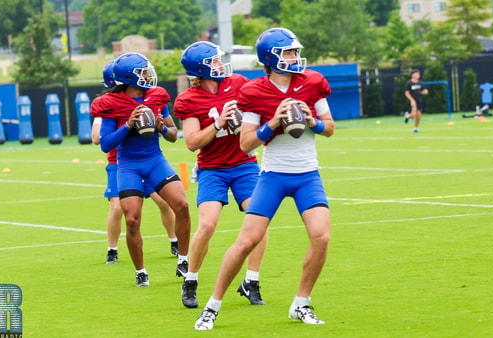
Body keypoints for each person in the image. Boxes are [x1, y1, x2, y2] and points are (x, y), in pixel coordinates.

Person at [194, 27, 335, 330]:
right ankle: (212, 306)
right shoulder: (254, 91)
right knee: (247, 241)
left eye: (295, 51)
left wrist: (310, 121)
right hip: (272, 174)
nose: (295, 57)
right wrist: (273, 122)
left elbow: (330, 127)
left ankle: (301, 303)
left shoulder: (312, 82)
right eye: (288, 52)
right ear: (271, 59)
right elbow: (246, 143)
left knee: (321, 236)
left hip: (307, 174)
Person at [174, 41, 269, 309]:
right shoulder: (189, 99)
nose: (219, 64)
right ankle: (190, 279)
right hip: (212, 168)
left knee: (259, 219)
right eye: (213, 61)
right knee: (207, 224)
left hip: (244, 164)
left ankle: (251, 280)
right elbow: (192, 142)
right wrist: (218, 123)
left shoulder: (238, 83)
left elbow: (257, 111)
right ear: (200, 69)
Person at [91, 53, 191, 286]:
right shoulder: (110, 103)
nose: (148, 76)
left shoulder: (157, 96)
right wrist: (127, 124)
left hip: (155, 159)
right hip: (128, 165)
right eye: (142, 72)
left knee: (182, 205)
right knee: (133, 219)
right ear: (129, 77)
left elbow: (174, 135)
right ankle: (141, 271)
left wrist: (162, 127)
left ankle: (184, 259)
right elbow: (105, 143)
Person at [404, 69, 428, 133]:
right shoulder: (409, 83)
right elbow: (406, 93)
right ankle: (407, 115)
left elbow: (422, 91)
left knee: (419, 116)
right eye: (416, 74)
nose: (417, 75)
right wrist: (411, 100)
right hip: (412, 102)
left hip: (419, 101)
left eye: (418, 74)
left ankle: (415, 128)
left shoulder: (420, 83)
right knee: (414, 115)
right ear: (412, 75)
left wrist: (425, 92)